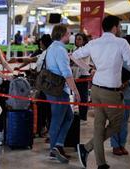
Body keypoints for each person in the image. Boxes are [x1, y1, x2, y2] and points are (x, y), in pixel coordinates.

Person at [72, 15, 130, 169]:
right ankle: (86, 148)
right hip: (110, 92)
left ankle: (100, 163)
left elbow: (74, 56)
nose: (119, 29)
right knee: (117, 124)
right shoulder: (120, 42)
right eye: (119, 26)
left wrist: (90, 69)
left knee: (99, 127)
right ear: (114, 27)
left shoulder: (94, 43)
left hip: (96, 89)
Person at [45, 24, 81, 163]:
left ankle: (58, 145)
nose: (70, 36)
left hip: (52, 89)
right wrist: (76, 91)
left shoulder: (51, 47)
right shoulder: (60, 50)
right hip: (59, 90)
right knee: (57, 120)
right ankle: (54, 149)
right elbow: (67, 74)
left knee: (68, 117)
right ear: (62, 35)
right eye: (68, 33)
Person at [110, 35, 130, 156]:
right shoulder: (113, 58)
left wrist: (127, 83)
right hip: (114, 93)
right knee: (114, 120)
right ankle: (115, 145)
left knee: (124, 121)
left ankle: (122, 144)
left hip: (128, 94)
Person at [72, 33, 90, 121]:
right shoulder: (76, 49)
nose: (77, 41)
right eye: (76, 39)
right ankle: (80, 113)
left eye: (79, 39)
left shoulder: (84, 50)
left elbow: (75, 60)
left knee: (83, 96)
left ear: (84, 41)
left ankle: (83, 116)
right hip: (76, 75)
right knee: (78, 95)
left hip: (83, 75)